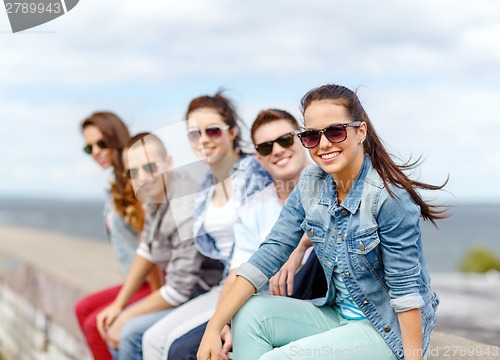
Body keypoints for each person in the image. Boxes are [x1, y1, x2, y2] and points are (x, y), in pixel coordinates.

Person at [198, 84, 446, 360]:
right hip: (337, 315)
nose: (324, 144)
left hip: (386, 330)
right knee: (247, 312)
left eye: (336, 131)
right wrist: (214, 324)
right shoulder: (310, 184)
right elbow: (269, 253)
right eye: (312, 136)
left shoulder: (389, 199)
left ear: (360, 131)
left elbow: (406, 293)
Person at [166, 109, 328, 360]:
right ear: (259, 159)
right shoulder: (254, 209)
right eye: (265, 148)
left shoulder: (331, 186)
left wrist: (300, 247)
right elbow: (236, 273)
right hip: (264, 300)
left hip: (315, 297)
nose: (276, 150)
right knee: (182, 351)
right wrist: (225, 323)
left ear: (302, 140)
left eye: (285, 140)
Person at [142, 92, 273, 359]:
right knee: (153, 339)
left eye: (212, 131)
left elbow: (260, 249)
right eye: (194, 133)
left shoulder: (253, 174)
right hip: (222, 284)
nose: (203, 140)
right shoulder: (205, 188)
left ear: (233, 132)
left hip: (252, 286)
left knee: (177, 349)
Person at [95, 132, 203, 360]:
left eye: (151, 168)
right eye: (133, 172)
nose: (143, 177)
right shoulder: (156, 191)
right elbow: (147, 248)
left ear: (169, 163)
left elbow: (180, 289)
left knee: (129, 333)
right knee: (115, 324)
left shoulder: (183, 207)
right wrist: (119, 305)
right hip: (184, 288)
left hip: (204, 290)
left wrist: (125, 316)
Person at [75, 112, 160, 360]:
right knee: (83, 309)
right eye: (89, 148)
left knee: (96, 325)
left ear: (116, 137)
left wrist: (155, 298)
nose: (97, 152)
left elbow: (150, 245)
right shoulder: (114, 183)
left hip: (155, 281)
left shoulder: (135, 180)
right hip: (137, 280)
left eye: (101, 143)